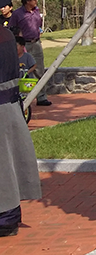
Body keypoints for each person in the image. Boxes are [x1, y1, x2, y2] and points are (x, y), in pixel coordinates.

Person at [0, 16, 42, 237]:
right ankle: (8, 216)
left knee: (4, 164)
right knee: (7, 162)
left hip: (3, 106)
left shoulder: (3, 36)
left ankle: (6, 217)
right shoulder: (6, 35)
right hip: (8, 105)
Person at [9, 0, 50, 106]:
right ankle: (19, 97)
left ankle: (41, 97)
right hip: (24, 45)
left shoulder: (36, 11)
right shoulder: (17, 14)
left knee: (40, 70)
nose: (36, 1)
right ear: (27, 1)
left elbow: (38, 24)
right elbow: (12, 28)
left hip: (36, 43)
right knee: (21, 70)